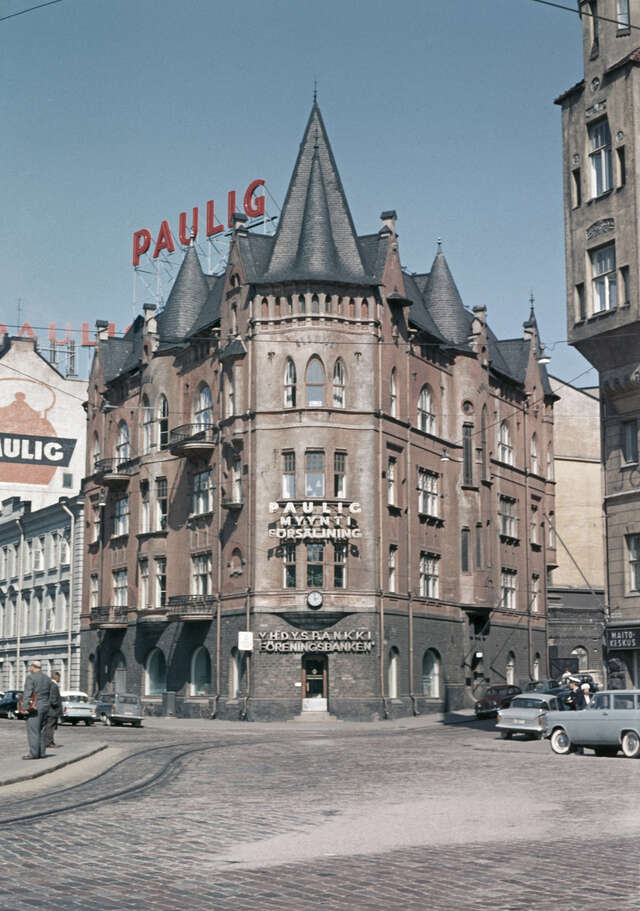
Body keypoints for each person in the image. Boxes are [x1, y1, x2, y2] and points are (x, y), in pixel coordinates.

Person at [20, 660, 53, 760]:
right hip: (45, 706)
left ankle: (33, 754)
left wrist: (24, 707)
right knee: (42, 730)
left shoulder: (31, 677)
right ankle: (42, 753)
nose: (30, 669)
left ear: (33, 667)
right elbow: (50, 694)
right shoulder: (47, 678)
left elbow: (27, 693)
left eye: (30, 667)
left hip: (35, 707)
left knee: (33, 731)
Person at [45, 671, 63, 749]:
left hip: (51, 710)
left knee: (51, 727)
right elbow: (53, 699)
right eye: (59, 677)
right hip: (52, 711)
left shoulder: (51, 685)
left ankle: (50, 741)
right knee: (50, 727)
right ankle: (49, 742)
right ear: (56, 677)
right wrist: (57, 706)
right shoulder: (53, 685)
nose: (60, 679)